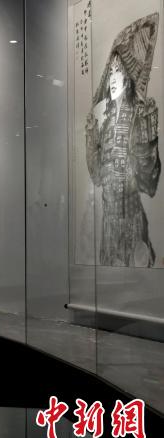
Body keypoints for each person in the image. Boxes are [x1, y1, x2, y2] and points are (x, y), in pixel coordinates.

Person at [85, 13, 161, 267]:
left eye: (119, 72)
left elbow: (149, 182)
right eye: (111, 72)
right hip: (109, 225)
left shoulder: (139, 116)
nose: (113, 78)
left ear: (127, 79)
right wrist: (91, 135)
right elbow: (96, 176)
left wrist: (147, 135)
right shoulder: (104, 122)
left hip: (132, 221)